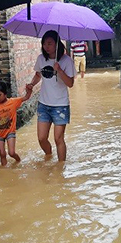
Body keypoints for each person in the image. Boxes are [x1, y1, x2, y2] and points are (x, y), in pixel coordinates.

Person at [26, 30, 75, 161]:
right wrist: (31, 84)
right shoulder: (41, 59)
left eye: (49, 43)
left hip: (60, 105)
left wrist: (59, 70)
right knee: (42, 138)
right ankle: (49, 156)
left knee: (58, 138)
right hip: (44, 104)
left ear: (57, 44)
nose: (46, 47)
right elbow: (38, 75)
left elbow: (70, 83)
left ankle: (60, 169)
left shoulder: (66, 61)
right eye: (44, 44)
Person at [0, 81, 32, 166]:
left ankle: (18, 161)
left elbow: (26, 97)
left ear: (5, 94)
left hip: (10, 132)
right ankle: (4, 171)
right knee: (2, 154)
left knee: (11, 153)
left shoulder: (13, 102)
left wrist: (29, 90)